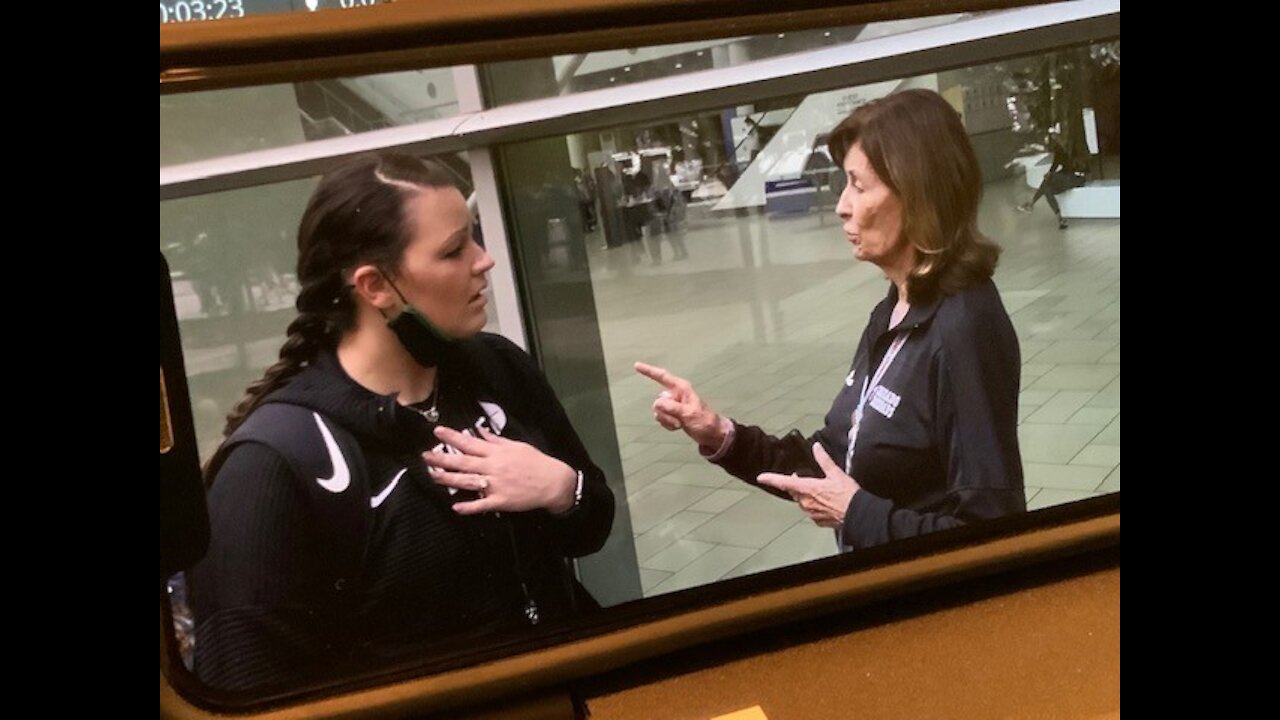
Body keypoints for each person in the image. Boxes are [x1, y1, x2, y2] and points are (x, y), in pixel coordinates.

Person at [186, 153, 614, 693]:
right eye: (454, 250)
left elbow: (592, 525)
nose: (484, 261)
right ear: (375, 286)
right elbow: (245, 687)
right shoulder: (273, 469)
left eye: (474, 238)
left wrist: (560, 489)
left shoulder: (497, 368)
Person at [636, 89, 1025, 551]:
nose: (842, 205)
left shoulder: (964, 327)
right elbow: (836, 459)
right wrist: (720, 434)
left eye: (859, 186)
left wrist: (855, 513)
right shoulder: (895, 309)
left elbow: (992, 533)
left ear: (918, 193)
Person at [1016, 134, 1086, 229]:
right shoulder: (1059, 151)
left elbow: (1073, 166)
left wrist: (1051, 175)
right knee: (1048, 190)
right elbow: (1055, 166)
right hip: (1069, 177)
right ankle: (1060, 219)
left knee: (1049, 180)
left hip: (1077, 177)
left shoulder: (1070, 149)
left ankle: (1031, 204)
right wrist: (1050, 174)